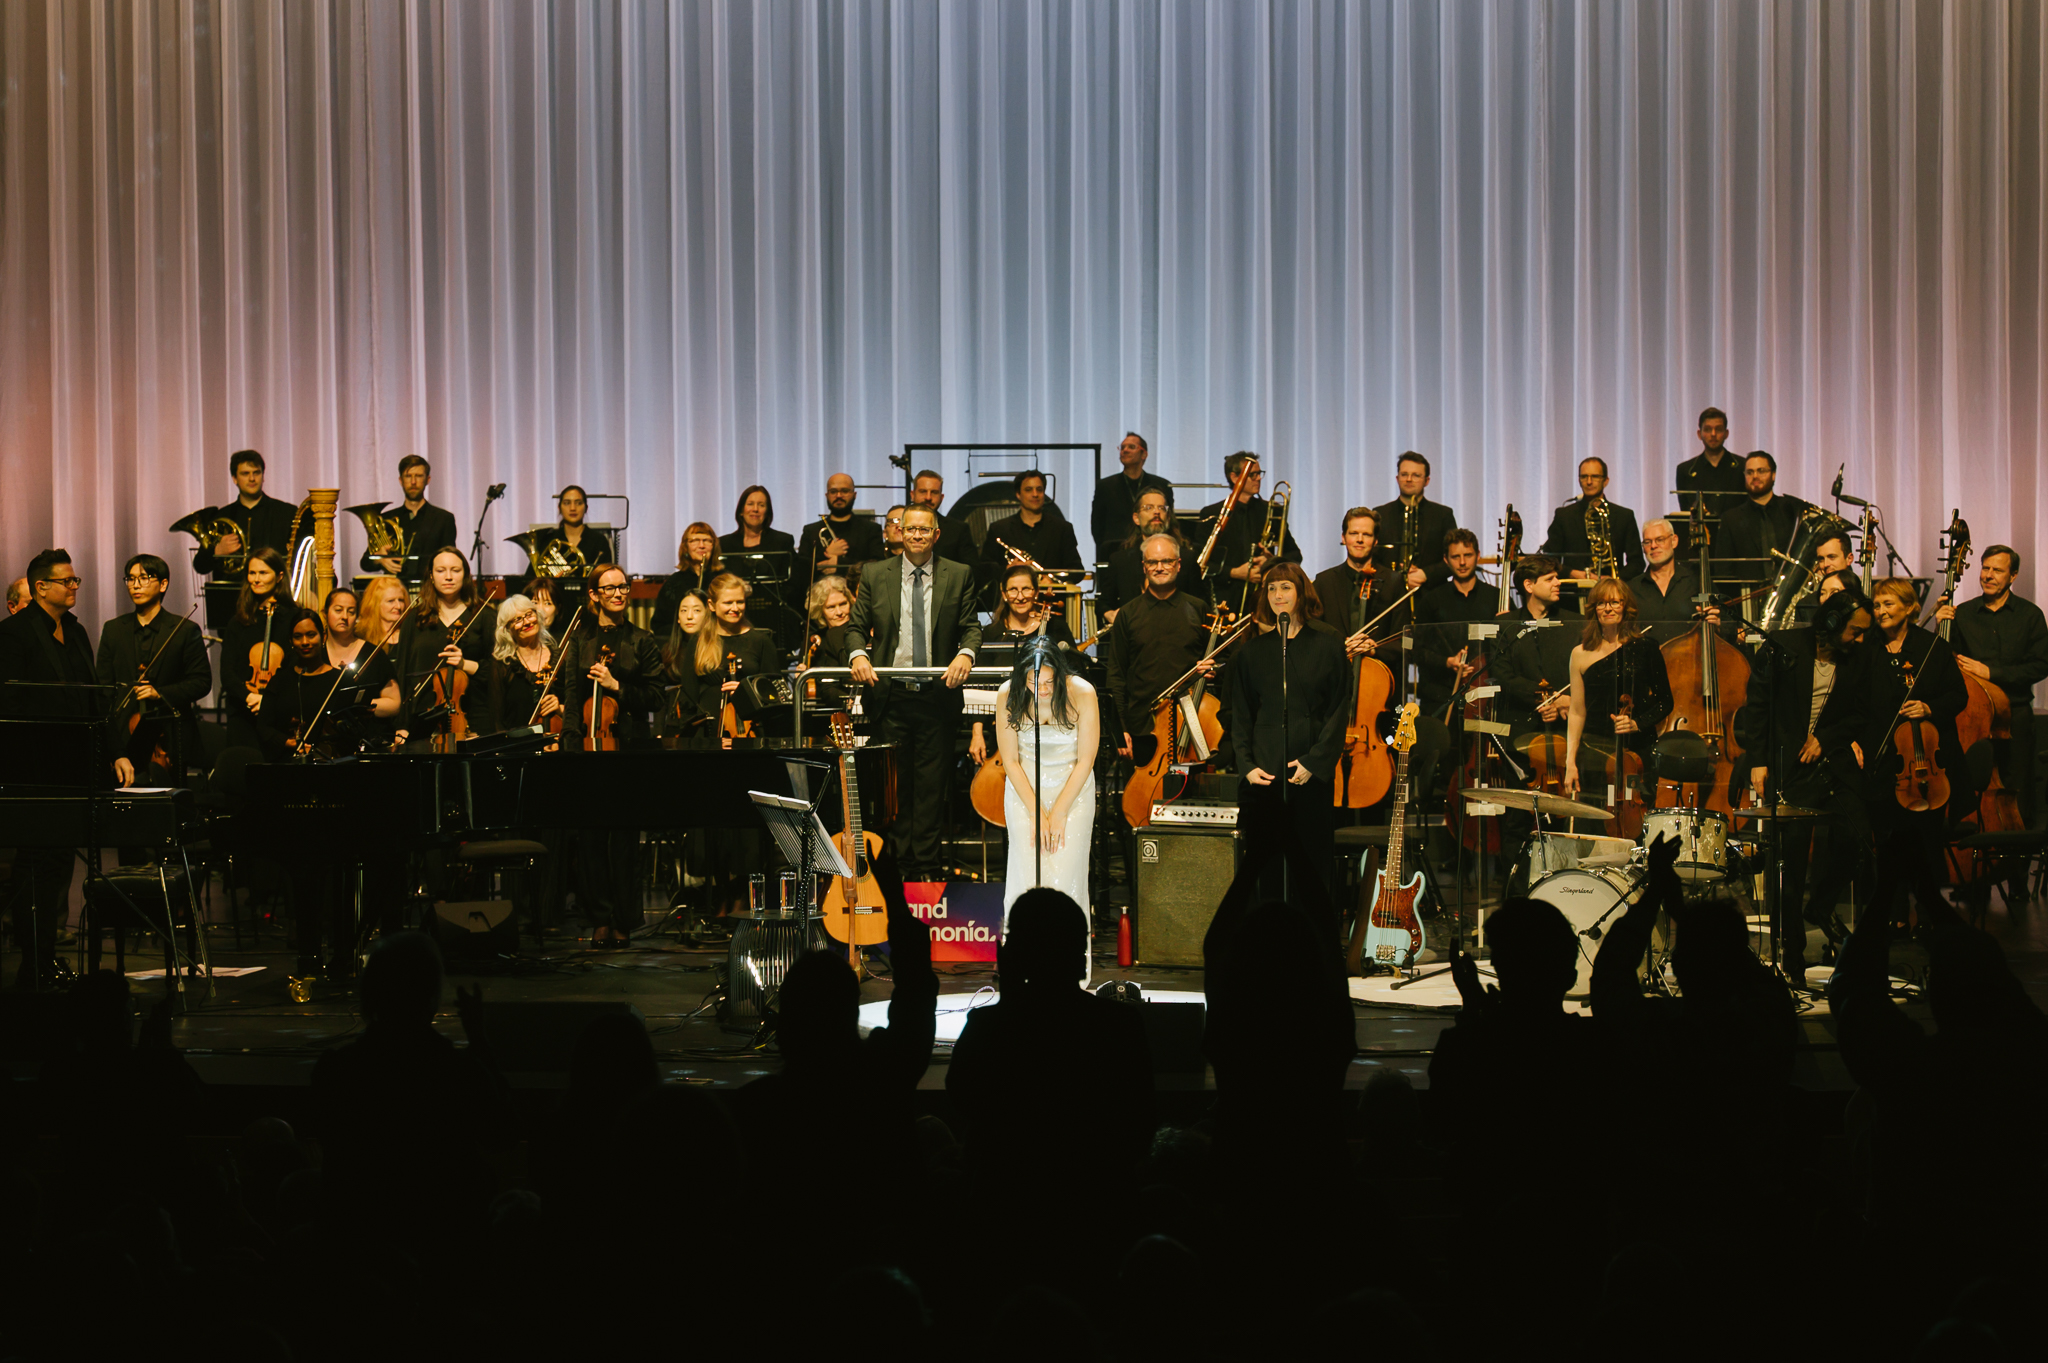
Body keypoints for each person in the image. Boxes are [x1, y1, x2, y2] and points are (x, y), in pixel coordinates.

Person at [945, 886, 1152, 1184]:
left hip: (1004, 1187)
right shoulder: (1121, 1024)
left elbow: (965, 1101)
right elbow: (1140, 1123)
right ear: (1079, 954)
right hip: (1101, 1189)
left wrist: (1009, 1002)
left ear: (1015, 952)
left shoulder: (989, 1026)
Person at [0, 550, 118, 990]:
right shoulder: (13, 633)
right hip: (33, 768)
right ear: (41, 587)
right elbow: (10, 703)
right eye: (67, 581)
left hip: (74, 766)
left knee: (61, 862)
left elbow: (92, 695)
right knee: (35, 863)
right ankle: (33, 962)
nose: (74, 587)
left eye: (75, 580)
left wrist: (114, 751)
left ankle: (47, 958)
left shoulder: (77, 630)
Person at [1741, 592, 1875, 975]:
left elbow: (1862, 713)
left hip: (1833, 765)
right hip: (1791, 765)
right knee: (1791, 860)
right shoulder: (1784, 647)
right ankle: (1792, 953)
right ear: (1831, 623)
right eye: (1855, 631)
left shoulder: (1859, 658)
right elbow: (1757, 705)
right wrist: (1758, 761)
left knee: (1858, 837)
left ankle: (1821, 903)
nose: (1860, 639)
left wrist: (1826, 739)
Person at [847, 505, 982, 880]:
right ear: (899, 532)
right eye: (910, 529)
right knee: (895, 790)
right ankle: (897, 870)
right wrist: (859, 655)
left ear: (936, 534)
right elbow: (855, 627)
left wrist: (966, 654)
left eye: (924, 530)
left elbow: (971, 627)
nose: (917, 536)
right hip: (890, 697)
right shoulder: (876, 573)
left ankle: (926, 868)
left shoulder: (959, 574)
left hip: (937, 697)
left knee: (930, 789)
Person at [1833, 576, 1970, 918]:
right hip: (1881, 763)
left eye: (1888, 604)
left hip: (1924, 763)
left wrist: (1929, 708)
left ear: (1910, 608)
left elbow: (1959, 695)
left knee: (1926, 839)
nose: (1880, 611)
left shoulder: (1932, 647)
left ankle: (1929, 913)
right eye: (1877, 605)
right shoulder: (1866, 650)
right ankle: (1892, 915)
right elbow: (1850, 703)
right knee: (1885, 840)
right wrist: (1853, 739)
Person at [560, 562, 669, 947]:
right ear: (594, 595)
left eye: (623, 587)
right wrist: (571, 743)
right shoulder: (579, 638)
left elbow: (656, 696)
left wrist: (615, 686)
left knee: (624, 838)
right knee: (591, 838)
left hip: (628, 748)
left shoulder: (642, 640)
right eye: (609, 588)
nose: (619, 593)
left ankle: (624, 918)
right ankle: (598, 918)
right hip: (588, 747)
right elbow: (572, 695)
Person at [1230, 563, 1349, 903]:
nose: (1277, 595)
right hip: (1264, 775)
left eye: (1285, 587)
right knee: (1266, 869)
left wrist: (1315, 762)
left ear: (1301, 593)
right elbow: (1240, 715)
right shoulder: (1251, 652)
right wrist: (1247, 765)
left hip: (1309, 774)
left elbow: (1339, 709)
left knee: (1310, 869)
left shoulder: (1328, 644)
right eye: (1271, 588)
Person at [992, 639, 1101, 977]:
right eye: (1033, 682)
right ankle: (1021, 969)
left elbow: (1086, 759)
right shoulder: (1007, 694)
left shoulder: (1082, 692)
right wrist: (1036, 812)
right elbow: (1010, 760)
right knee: (1025, 874)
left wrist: (1060, 811)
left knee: (1067, 875)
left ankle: (1068, 971)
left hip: (1073, 790)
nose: (1041, 689)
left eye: (1049, 682)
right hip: (1025, 790)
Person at [1936, 544, 2048, 825]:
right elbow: (1943, 663)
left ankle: (2016, 847)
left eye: (1997, 570)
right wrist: (1940, 627)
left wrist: (1991, 672)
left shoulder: (2030, 615)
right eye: (1985, 568)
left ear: (2013, 576)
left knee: (2017, 786)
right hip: (1972, 716)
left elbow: (2041, 665)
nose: (1988, 575)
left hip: (2015, 715)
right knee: (1969, 782)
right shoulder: (1962, 613)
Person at [97, 553, 211, 784]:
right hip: (124, 737)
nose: (135, 585)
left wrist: (160, 693)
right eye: (130, 578)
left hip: (170, 737)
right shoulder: (113, 630)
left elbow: (201, 682)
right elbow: (103, 689)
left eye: (144, 577)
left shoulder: (184, 629)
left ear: (163, 584)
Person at [1102, 533, 1215, 765]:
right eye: (1153, 562)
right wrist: (1121, 728)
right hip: (1141, 728)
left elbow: (1220, 661)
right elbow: (1116, 675)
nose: (1160, 567)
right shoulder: (1128, 614)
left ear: (1178, 565)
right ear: (1144, 567)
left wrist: (1213, 669)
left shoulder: (1199, 609)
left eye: (1167, 561)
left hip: (1190, 725)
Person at [1562, 576, 1673, 805]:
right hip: (1595, 752)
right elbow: (1577, 712)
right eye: (1601, 603)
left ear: (1626, 606)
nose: (1608, 608)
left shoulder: (1646, 648)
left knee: (1636, 815)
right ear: (1594, 609)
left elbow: (1665, 701)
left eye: (1615, 602)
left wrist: (1637, 723)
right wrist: (1570, 761)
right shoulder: (1579, 653)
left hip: (1637, 751)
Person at [968, 564, 1076, 767]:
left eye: (1026, 589)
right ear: (1004, 594)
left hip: (1050, 725)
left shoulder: (1055, 628)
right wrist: (977, 733)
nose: (1020, 596)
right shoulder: (991, 634)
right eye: (1013, 590)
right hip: (1001, 726)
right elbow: (980, 686)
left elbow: (1073, 675)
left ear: (1036, 592)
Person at [670, 572, 784, 746]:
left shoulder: (761, 641)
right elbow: (689, 696)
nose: (735, 608)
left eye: (740, 602)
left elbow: (774, 695)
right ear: (712, 605)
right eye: (728, 603)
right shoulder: (698, 642)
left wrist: (746, 692)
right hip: (707, 733)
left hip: (750, 734)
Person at [393, 548, 490, 749]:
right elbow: (402, 673)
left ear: (465, 574)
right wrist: (402, 724)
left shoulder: (483, 616)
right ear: (431, 575)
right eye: (440, 570)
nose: (448, 577)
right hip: (422, 719)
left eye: (455, 570)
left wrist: (465, 664)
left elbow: (496, 671)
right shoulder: (414, 618)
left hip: (472, 720)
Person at [1196, 451, 1302, 614]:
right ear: (1234, 477)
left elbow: (1295, 555)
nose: (1258, 478)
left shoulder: (1271, 511)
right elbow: (1199, 564)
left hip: (1265, 599)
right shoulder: (1212, 514)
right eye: (1253, 475)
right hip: (1226, 600)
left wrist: (1272, 561)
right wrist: (1234, 573)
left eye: (1259, 473)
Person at [1412, 529, 1498, 714]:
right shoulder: (1431, 600)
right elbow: (1417, 650)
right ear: (1446, 559)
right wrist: (1447, 662)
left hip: (1484, 694)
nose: (1462, 562)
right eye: (1455, 557)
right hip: (1440, 696)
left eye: (1468, 555)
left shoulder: (1495, 598)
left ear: (1478, 556)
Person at [221, 547, 295, 749]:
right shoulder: (238, 623)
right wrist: (250, 696)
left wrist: (269, 702)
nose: (256, 579)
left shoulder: (292, 619)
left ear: (279, 576)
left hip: (279, 714)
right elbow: (227, 673)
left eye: (263, 573)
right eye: (252, 573)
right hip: (243, 711)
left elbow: (294, 670)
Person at [191, 449, 299, 581]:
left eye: (256, 473)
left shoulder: (287, 513)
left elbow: (300, 559)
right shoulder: (221, 516)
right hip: (231, 592)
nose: (252, 478)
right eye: (245, 473)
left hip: (274, 590)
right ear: (234, 479)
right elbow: (200, 566)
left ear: (263, 476)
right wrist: (217, 551)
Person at [977, 470, 1084, 603]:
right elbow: (984, 570)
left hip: (1052, 603)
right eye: (1028, 490)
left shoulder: (1062, 528)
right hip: (1013, 604)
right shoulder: (999, 529)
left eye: (1039, 489)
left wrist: (1052, 580)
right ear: (1018, 494)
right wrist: (1008, 570)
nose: (1035, 494)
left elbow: (1077, 571)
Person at [1098, 487, 1203, 622]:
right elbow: (1103, 603)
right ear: (1136, 518)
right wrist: (1110, 614)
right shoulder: (1120, 561)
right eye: (1148, 508)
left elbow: (1201, 604)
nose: (1156, 512)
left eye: (1161, 508)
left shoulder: (1188, 558)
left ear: (1168, 517)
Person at [360, 454, 460, 587]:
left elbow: (450, 560)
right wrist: (380, 559)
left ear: (428, 479)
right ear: (400, 480)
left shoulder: (444, 519)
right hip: (395, 591)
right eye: (408, 476)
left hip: (430, 590)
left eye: (418, 476)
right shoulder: (385, 519)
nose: (413, 482)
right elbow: (365, 563)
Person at [475, 594, 564, 740]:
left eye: (529, 614)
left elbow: (575, 707)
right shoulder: (503, 664)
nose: (526, 622)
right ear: (507, 629)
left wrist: (560, 708)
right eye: (517, 620)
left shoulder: (559, 657)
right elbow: (497, 720)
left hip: (557, 742)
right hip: (517, 745)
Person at [1718, 451, 1813, 585]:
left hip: (1792, 589)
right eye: (1749, 472)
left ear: (1773, 475)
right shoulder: (1731, 518)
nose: (1755, 476)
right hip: (1749, 593)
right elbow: (1723, 569)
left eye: (1761, 471)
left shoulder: (1792, 511)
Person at [1541, 457, 1644, 580]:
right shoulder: (1564, 515)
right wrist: (1572, 573)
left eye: (1595, 477)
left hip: (1610, 589)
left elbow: (1637, 563)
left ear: (1605, 481)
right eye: (1584, 477)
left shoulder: (1624, 516)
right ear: (1579, 480)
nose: (1589, 482)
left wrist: (1611, 580)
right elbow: (1549, 558)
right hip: (1572, 588)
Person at [1373, 451, 1460, 593]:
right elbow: (1371, 559)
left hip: (1433, 596)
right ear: (1397, 478)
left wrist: (1426, 574)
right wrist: (1398, 578)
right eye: (1404, 474)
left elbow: (1455, 559)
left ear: (1427, 481)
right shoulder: (1380, 514)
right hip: (1389, 596)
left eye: (1416, 475)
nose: (1409, 479)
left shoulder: (1443, 515)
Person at [1626, 517, 1721, 645]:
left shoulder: (1696, 582)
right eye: (1647, 542)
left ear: (1674, 541)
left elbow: (1727, 621)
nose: (1653, 546)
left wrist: (1719, 624)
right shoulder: (1632, 589)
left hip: (1691, 656)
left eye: (1660, 540)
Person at [1090, 431, 1173, 563]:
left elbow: (1169, 519)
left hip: (1154, 551)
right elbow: (1097, 526)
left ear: (1144, 454)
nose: (1125, 450)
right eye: (1122, 447)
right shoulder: (1105, 486)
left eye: (1131, 447)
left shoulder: (1161, 485)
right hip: (1115, 551)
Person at [796, 472, 886, 592]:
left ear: (854, 495)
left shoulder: (871, 530)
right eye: (833, 491)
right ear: (827, 495)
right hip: (819, 597)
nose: (839, 496)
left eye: (844, 491)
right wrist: (827, 553)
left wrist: (839, 564)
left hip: (860, 596)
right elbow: (801, 569)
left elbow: (877, 566)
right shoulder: (810, 531)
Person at [1674, 406, 1747, 532]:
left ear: (1726, 433)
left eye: (1718, 429)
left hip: (1737, 536)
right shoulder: (1686, 470)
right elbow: (1686, 513)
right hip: (1701, 537)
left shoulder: (1743, 466)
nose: (1713, 434)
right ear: (1699, 434)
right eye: (1707, 429)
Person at [530, 484, 614, 582]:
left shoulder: (599, 541)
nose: (573, 508)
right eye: (567, 503)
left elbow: (607, 579)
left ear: (586, 508)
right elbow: (530, 579)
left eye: (578, 503)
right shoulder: (547, 540)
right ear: (559, 508)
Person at [652, 521, 724, 632]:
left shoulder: (724, 580)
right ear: (686, 547)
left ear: (714, 546)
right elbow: (659, 625)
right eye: (694, 540)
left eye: (706, 541)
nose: (701, 546)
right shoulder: (674, 582)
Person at [908, 468, 977, 566]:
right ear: (912, 495)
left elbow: (970, 569)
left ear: (941, 497)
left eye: (934, 492)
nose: (928, 497)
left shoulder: (958, 530)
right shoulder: (899, 526)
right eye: (923, 491)